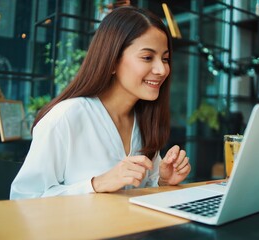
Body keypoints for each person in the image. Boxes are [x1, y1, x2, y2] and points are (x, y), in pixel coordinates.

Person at [10, 6, 191, 199]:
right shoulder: (66, 117)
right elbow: (22, 199)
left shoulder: (144, 120)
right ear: (112, 61)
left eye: (165, 59)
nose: (162, 70)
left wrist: (163, 181)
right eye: (147, 57)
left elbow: (144, 192)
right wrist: (97, 184)